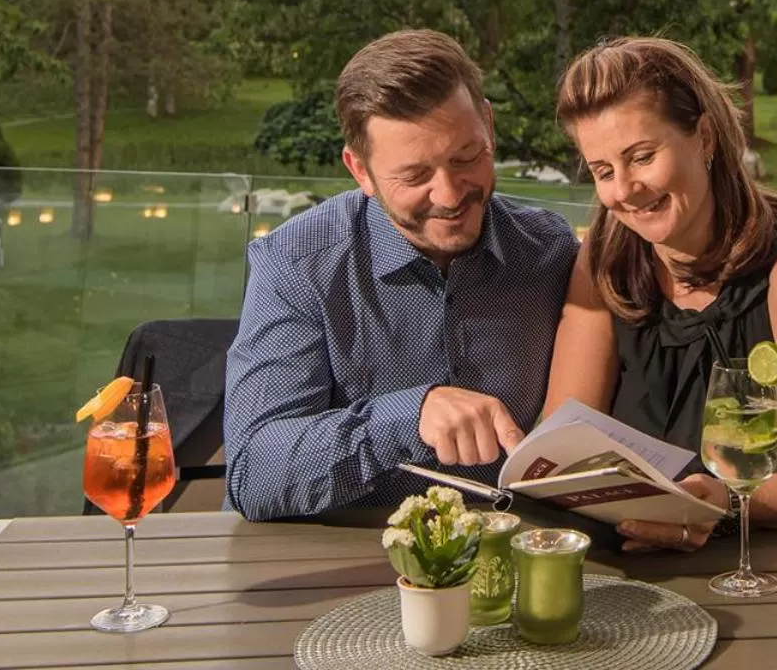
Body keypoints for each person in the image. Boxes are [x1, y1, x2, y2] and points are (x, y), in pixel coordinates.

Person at [542, 36, 777, 552]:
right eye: (605, 171)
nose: (624, 190)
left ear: (706, 137)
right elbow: (563, 444)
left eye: (642, 157)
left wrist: (724, 504)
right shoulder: (604, 264)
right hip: (642, 584)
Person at [224, 30, 578, 520]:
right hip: (330, 556)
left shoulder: (549, 251)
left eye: (466, 157)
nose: (451, 195)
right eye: (415, 177)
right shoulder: (295, 262)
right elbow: (254, 475)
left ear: (489, 127)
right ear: (360, 170)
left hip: (496, 554)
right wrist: (410, 417)